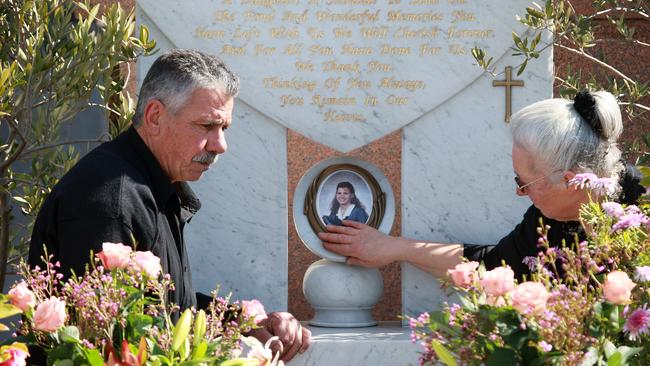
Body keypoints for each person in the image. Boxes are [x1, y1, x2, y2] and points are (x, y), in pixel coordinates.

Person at [29, 49, 310, 361]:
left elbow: (169, 308)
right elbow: (111, 341)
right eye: (207, 126)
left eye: (224, 128)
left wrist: (244, 322)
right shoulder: (115, 200)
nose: (220, 145)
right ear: (155, 117)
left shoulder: (149, 182)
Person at [318, 91, 645, 280]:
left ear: (570, 182)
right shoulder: (547, 222)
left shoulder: (641, 211)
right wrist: (394, 248)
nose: (520, 193)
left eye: (524, 183)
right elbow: (493, 266)